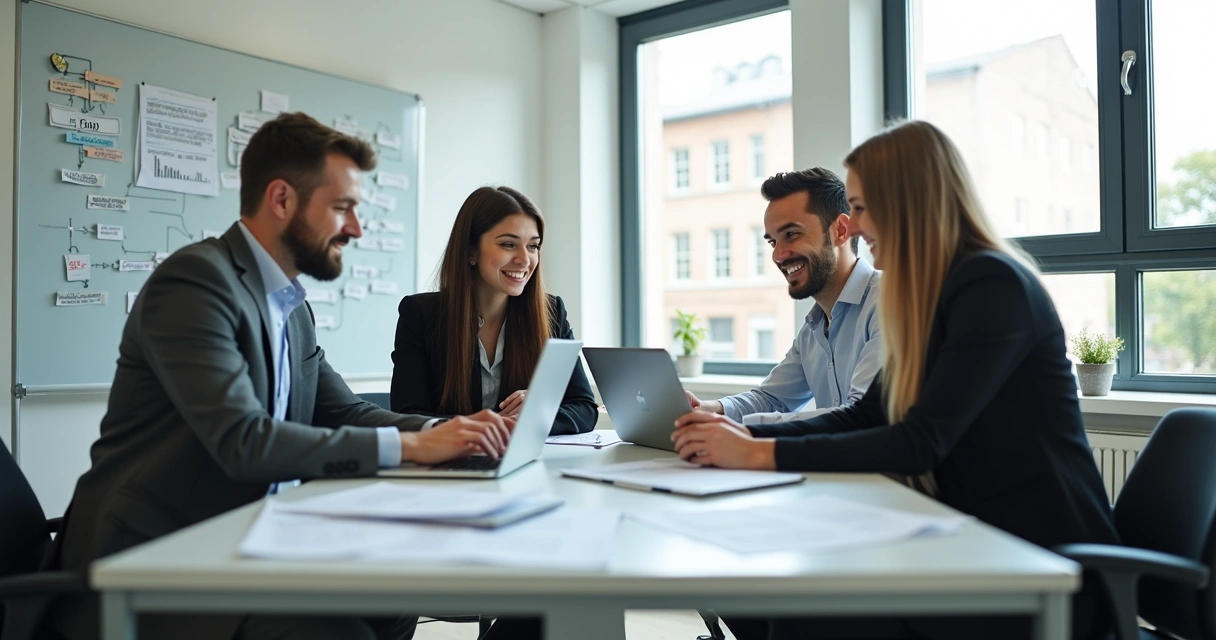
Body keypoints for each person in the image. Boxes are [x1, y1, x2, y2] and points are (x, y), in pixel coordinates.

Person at [46, 113, 537, 640]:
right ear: (281, 200)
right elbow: (244, 441)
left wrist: (452, 434)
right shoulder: (195, 283)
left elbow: (345, 412)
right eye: (342, 208)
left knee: (392, 602)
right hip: (160, 551)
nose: (355, 228)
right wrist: (415, 448)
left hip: (255, 532)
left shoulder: (290, 305)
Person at [671, 121, 1119, 640]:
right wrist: (741, 436)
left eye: (860, 207)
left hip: (1036, 558)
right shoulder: (933, 293)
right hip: (971, 537)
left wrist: (756, 452)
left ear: (907, 200)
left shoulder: (991, 284)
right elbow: (869, 414)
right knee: (779, 595)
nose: (855, 226)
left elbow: (919, 441)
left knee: (807, 613)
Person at [390, 186, 597, 435]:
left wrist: (537, 413)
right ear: (470, 251)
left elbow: (584, 407)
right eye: (509, 244)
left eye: (533, 246)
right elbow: (408, 415)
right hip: (450, 464)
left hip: (526, 463)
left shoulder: (551, 312)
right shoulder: (420, 315)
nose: (525, 259)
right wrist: (490, 426)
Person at [685, 168, 882, 425]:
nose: (778, 255)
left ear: (841, 231)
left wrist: (743, 432)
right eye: (772, 242)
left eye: (791, 234)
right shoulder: (814, 329)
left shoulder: (889, 304)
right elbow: (771, 398)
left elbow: (861, 416)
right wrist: (709, 410)